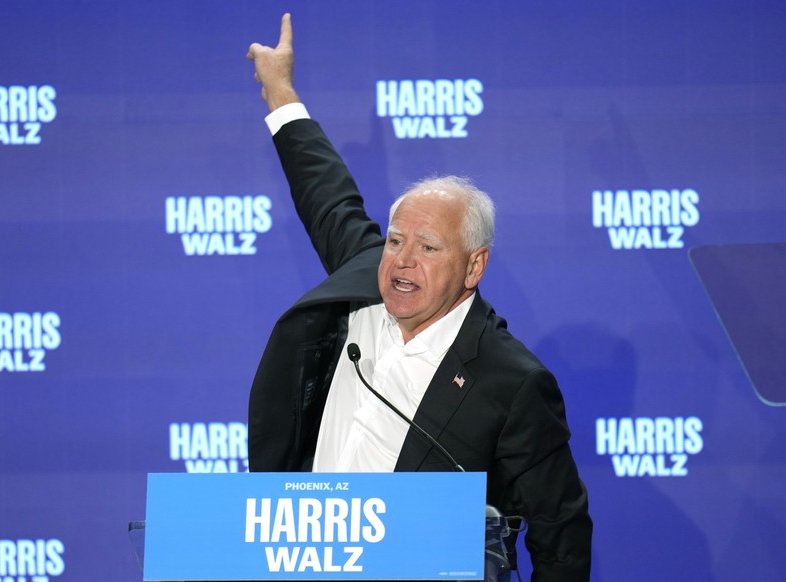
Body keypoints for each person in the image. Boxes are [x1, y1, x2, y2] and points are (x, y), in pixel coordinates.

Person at [246, 14, 592, 581]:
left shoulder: (512, 381)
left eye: (428, 248)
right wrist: (281, 92)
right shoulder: (363, 286)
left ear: (474, 265)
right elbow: (327, 195)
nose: (402, 261)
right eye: (397, 240)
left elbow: (562, 536)